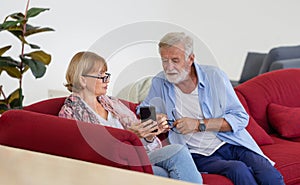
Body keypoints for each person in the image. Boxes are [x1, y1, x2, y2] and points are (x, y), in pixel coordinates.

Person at [138, 32, 285, 185]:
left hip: (231, 143)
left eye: (175, 60)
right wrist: (157, 118)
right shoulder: (160, 81)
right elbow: (144, 110)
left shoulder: (215, 77)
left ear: (191, 59)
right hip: (197, 154)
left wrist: (198, 125)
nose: (169, 67)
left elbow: (240, 118)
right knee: (238, 170)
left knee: (269, 175)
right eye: (164, 61)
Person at [58, 51, 203, 184]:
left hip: (137, 156)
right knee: (172, 162)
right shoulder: (71, 112)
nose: (107, 80)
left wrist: (149, 134)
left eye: (106, 75)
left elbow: (140, 141)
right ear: (83, 80)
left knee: (174, 158)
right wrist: (128, 135)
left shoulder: (112, 103)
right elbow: (85, 151)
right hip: (113, 163)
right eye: (101, 76)